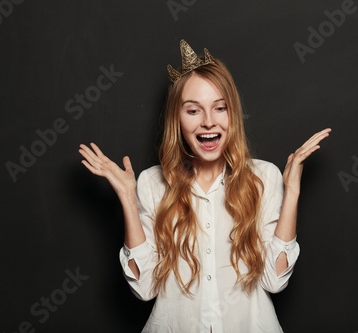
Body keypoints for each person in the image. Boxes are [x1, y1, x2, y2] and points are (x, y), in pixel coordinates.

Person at [78, 39, 331, 333]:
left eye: (219, 108)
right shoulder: (150, 183)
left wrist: (293, 193)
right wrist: (126, 197)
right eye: (193, 110)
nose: (209, 122)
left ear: (232, 114)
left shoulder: (264, 177)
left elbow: (275, 281)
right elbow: (144, 287)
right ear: (177, 118)